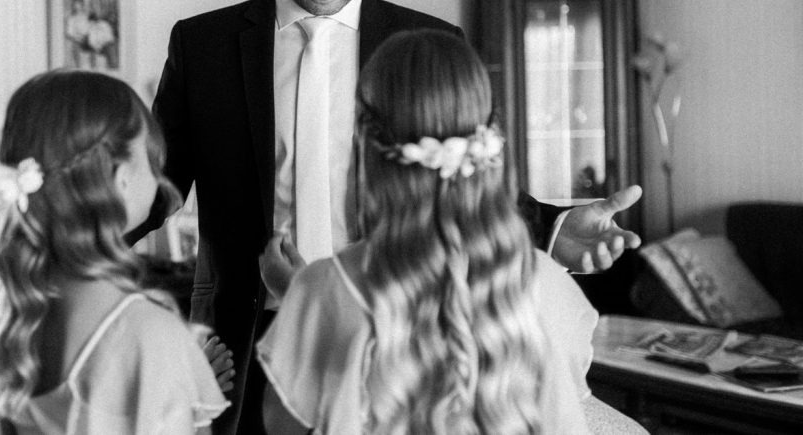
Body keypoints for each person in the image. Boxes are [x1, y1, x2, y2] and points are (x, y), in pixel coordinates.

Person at [0, 0, 641, 434]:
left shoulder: (427, 41)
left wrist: (551, 226)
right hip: (245, 339)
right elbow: (153, 184)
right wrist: (44, 234)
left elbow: (456, 176)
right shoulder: (204, 45)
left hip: (401, 335)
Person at [256, 29, 626, 434]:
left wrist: (300, 304)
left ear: (364, 142)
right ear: (489, 139)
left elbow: (282, 426)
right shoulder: (552, 287)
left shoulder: (323, 290)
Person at [0, 70, 228, 433]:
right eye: (151, 161)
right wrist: (186, 384)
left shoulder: (10, 324)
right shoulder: (151, 337)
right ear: (121, 178)